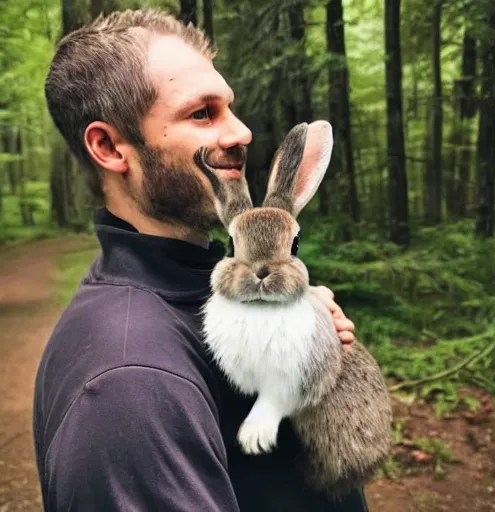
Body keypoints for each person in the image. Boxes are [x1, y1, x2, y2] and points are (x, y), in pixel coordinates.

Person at [33, 8, 368, 511]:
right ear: (108, 147)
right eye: (202, 113)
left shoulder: (190, 294)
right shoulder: (130, 381)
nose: (242, 132)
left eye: (229, 108)